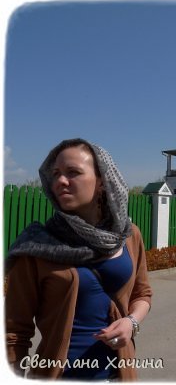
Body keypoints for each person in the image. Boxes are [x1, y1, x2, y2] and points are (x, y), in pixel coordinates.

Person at [5, 138, 153, 380]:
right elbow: (13, 333)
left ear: (102, 181)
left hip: (119, 376)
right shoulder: (37, 246)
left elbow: (143, 293)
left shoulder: (128, 235)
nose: (61, 181)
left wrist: (131, 322)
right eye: (55, 174)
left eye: (73, 172)